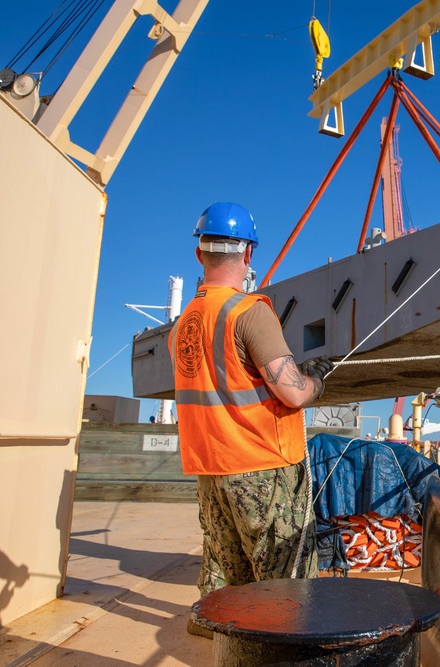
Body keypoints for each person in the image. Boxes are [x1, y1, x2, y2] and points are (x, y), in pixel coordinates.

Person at [169, 202, 333, 627]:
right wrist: (315, 379)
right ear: (248, 254)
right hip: (264, 469)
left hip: (211, 470)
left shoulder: (184, 323)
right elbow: (293, 394)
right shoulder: (249, 312)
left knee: (227, 579)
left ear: (199, 254)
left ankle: (229, 644)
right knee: (287, 587)